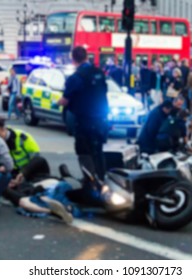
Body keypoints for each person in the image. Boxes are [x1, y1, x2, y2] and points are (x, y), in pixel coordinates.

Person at [58, 46, 109, 202]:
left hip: (85, 121)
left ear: (73, 59)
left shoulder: (76, 77)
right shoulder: (99, 73)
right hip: (101, 120)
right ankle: (103, 183)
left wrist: (58, 102)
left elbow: (65, 100)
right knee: (98, 152)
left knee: (84, 153)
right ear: (87, 56)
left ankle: (91, 185)